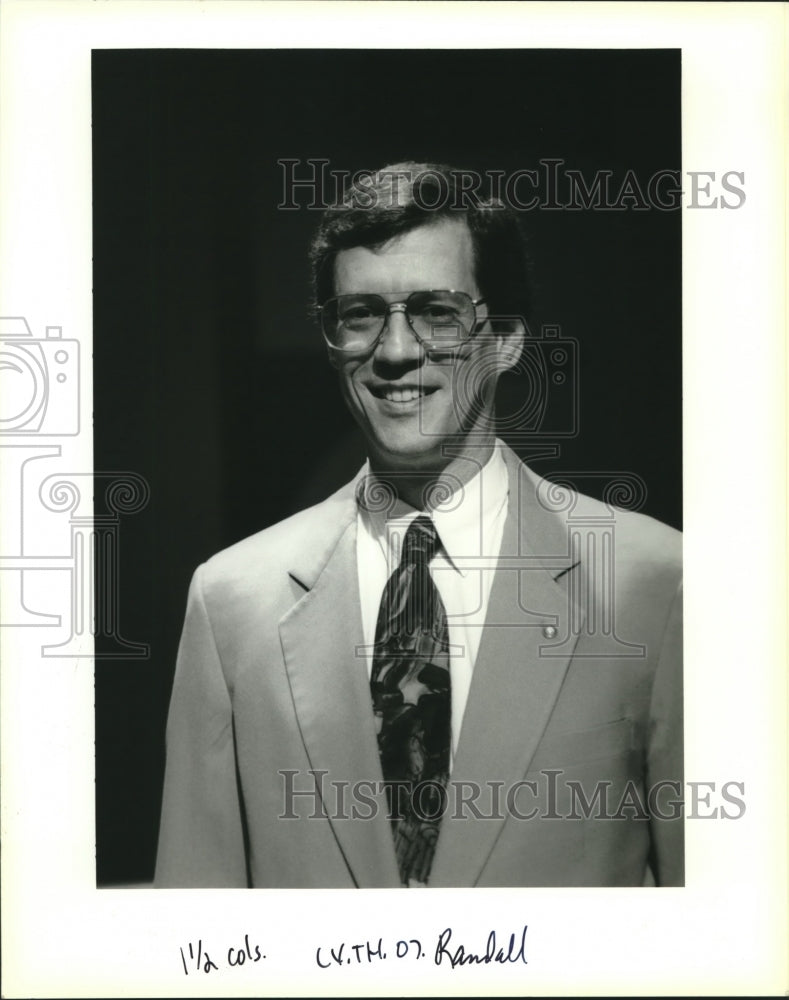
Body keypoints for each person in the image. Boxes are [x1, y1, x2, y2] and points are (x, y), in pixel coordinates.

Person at [154, 162, 683, 888]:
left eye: (437, 312)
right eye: (360, 314)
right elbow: (197, 925)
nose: (396, 351)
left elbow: (717, 931)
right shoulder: (230, 601)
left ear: (504, 340)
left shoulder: (655, 585)